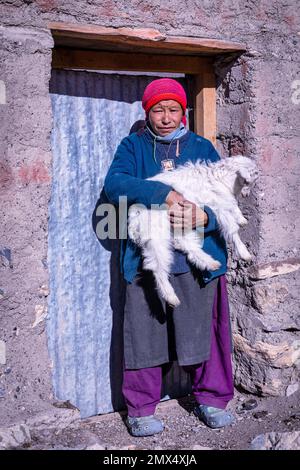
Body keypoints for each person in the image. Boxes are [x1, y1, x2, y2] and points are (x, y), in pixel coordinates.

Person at [103, 78, 235, 437]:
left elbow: (225, 195)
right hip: (150, 257)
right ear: (147, 113)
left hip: (197, 260)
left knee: (204, 330)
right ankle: (141, 407)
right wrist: (164, 195)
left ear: (183, 112)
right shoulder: (133, 147)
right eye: (158, 109)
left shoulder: (202, 148)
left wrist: (204, 216)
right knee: (143, 334)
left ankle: (211, 397)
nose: (165, 117)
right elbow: (115, 185)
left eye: (172, 109)